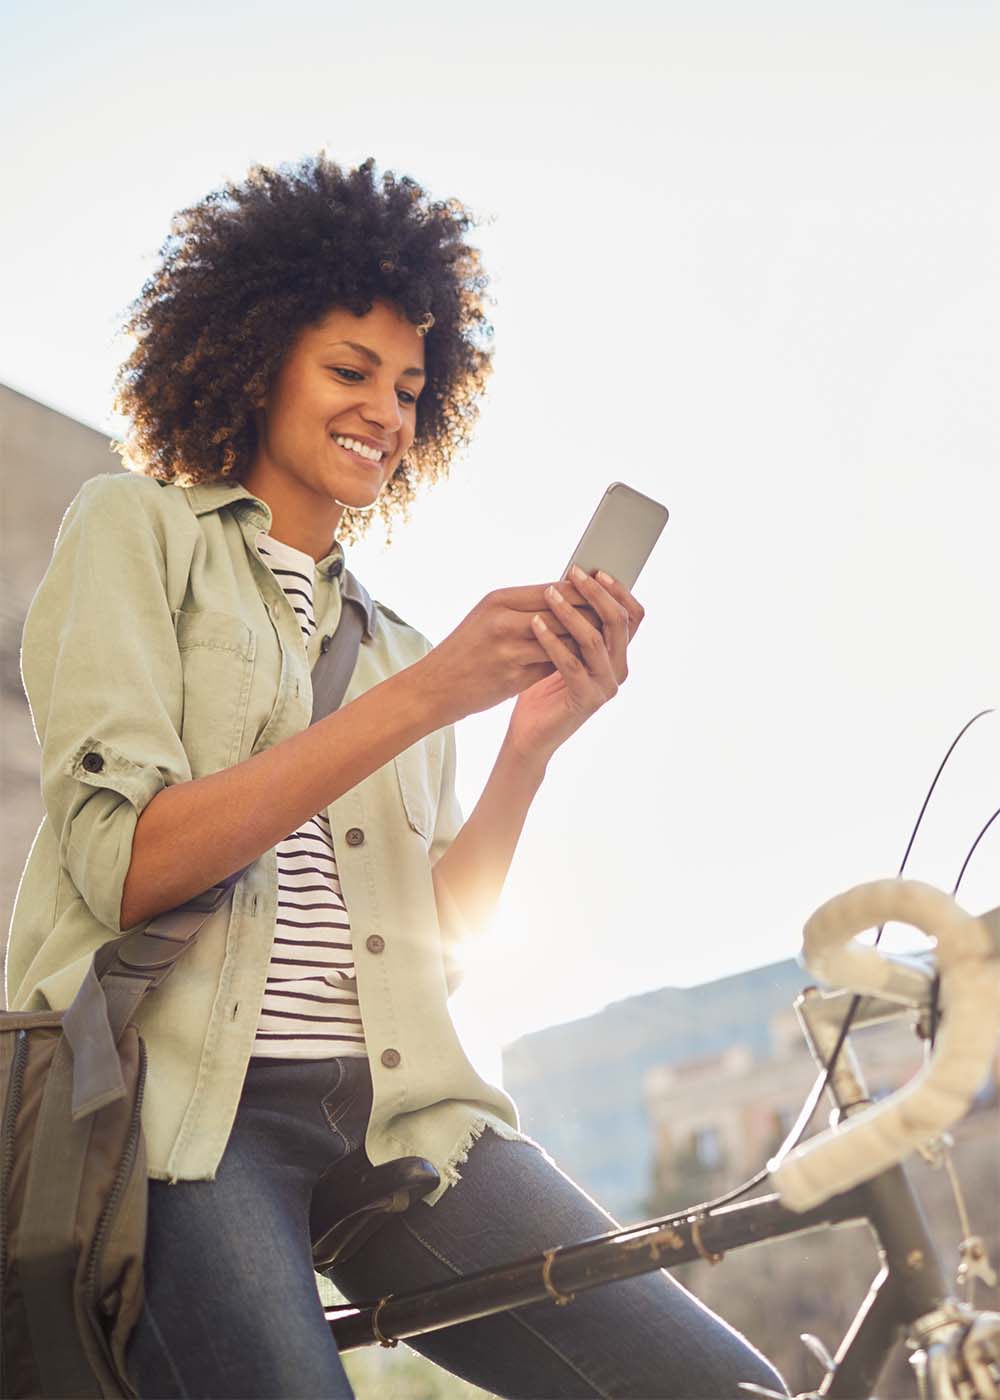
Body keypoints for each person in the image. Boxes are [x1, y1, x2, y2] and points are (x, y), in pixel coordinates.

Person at [6, 154, 786, 1399]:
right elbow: (131, 864)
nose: (385, 409)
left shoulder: (407, 645)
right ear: (257, 360)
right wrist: (424, 699)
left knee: (718, 1388)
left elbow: (433, 946)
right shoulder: (132, 529)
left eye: (412, 387)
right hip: (183, 1120)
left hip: (400, 1122)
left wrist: (526, 741)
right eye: (350, 369)